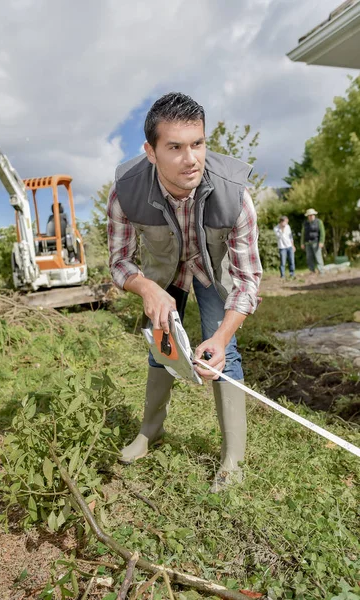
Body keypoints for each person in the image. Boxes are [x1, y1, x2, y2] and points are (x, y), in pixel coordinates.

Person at [107, 92, 262, 493]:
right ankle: (149, 432)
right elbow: (119, 262)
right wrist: (146, 288)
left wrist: (222, 336)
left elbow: (247, 281)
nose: (191, 158)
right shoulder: (125, 191)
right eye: (175, 147)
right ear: (151, 151)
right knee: (161, 345)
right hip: (164, 272)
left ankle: (233, 460)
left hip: (213, 273)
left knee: (222, 354)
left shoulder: (236, 195)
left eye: (197, 144)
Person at [300, 208, 325, 274]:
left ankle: (321, 271)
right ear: (308, 216)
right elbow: (303, 233)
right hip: (308, 242)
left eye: (312, 215)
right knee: (309, 258)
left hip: (316, 242)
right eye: (310, 215)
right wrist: (302, 243)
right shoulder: (305, 223)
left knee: (318, 257)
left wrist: (321, 241)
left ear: (314, 215)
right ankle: (312, 271)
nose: (311, 216)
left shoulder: (319, 222)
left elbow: (322, 232)